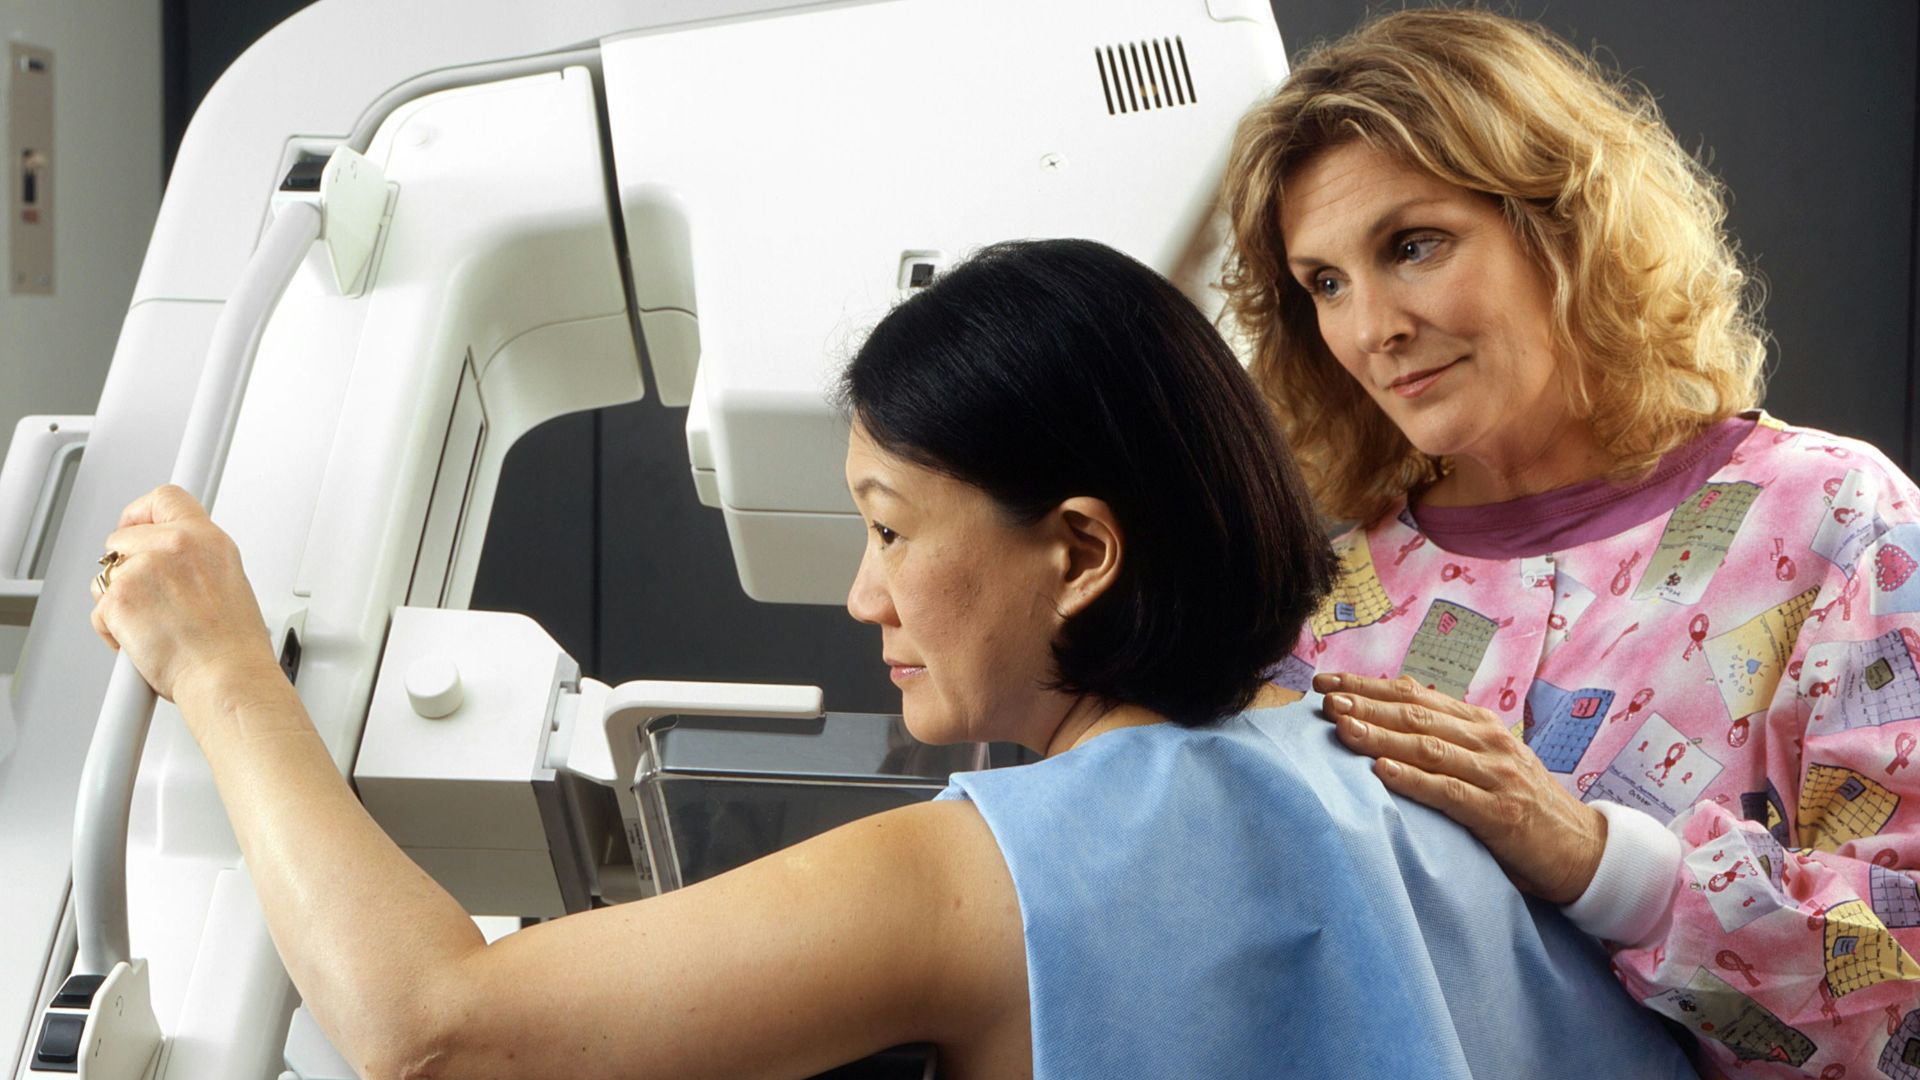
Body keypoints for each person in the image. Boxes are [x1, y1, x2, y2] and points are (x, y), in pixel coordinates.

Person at [88, 239, 1693, 1079]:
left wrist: (222, 667)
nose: (860, 597)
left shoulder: (979, 875)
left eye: (888, 527)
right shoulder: (1426, 788)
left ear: (1076, 552)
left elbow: (434, 1030)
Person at [1221, 8, 1920, 1076]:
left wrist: (1598, 862)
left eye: (1414, 246)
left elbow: (1905, 978)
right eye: (1325, 283)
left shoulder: (1841, 525)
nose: (1372, 329)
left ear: (1565, 226)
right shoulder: (1327, 605)